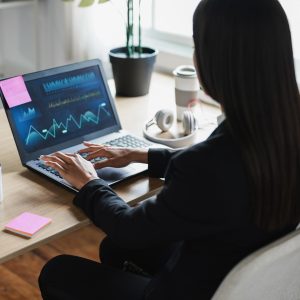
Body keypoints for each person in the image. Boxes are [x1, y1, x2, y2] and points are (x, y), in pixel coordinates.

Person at [38, 0, 300, 299]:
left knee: (57, 271)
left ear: (215, 60)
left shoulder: (209, 164)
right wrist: (142, 155)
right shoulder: (282, 126)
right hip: (238, 272)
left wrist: (89, 183)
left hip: (192, 289)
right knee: (114, 247)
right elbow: (226, 167)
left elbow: (129, 228)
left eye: (197, 46)